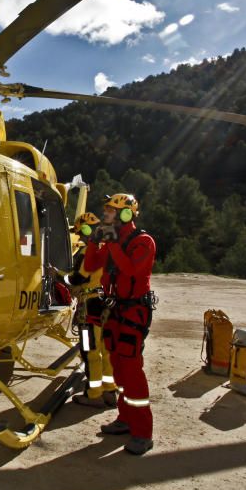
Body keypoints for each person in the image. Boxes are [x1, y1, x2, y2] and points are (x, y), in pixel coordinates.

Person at [83, 193, 156, 456]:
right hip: (113, 310)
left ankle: (143, 432)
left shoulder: (143, 242)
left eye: (111, 211)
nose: (106, 215)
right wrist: (94, 242)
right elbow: (90, 264)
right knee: (118, 368)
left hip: (134, 311)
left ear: (126, 215)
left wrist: (111, 243)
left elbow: (131, 270)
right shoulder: (113, 241)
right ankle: (125, 419)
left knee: (132, 370)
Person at [68, 212, 118, 409]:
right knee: (106, 350)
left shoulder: (88, 253)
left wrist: (58, 276)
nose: (80, 238)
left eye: (81, 234)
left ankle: (93, 393)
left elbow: (77, 279)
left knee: (90, 350)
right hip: (108, 304)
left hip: (90, 306)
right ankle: (109, 391)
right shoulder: (110, 249)